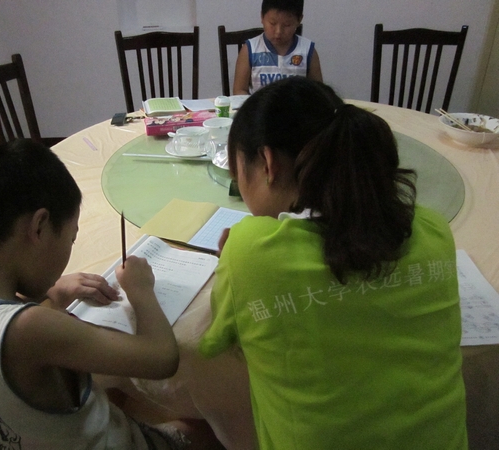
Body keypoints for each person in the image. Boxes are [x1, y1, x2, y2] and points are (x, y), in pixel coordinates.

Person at [200, 77, 468, 449]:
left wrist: (236, 261)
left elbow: (214, 343)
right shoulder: (432, 228)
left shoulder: (250, 250)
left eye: (237, 172)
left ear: (268, 163)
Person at [0, 139, 223, 449]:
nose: (69, 249)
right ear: (39, 226)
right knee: (214, 424)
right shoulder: (29, 329)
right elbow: (161, 359)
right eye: (71, 238)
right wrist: (141, 290)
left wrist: (55, 292)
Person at [232, 0, 323, 95]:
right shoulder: (250, 50)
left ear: (299, 20)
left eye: (287, 25)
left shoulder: (307, 51)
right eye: (272, 23)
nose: (278, 31)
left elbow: (319, 92)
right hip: (260, 104)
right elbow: (239, 90)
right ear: (262, 17)